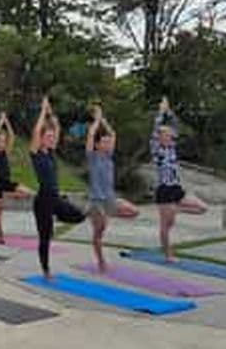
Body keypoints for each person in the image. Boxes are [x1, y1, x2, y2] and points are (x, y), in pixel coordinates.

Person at [28, 96, 85, 279]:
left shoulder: (52, 153)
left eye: (53, 137)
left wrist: (51, 113)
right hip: (43, 201)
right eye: (48, 137)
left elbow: (57, 127)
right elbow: (37, 131)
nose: (52, 139)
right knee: (45, 239)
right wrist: (43, 111)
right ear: (42, 139)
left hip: (56, 199)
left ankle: (59, 215)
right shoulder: (36, 153)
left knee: (80, 215)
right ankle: (46, 271)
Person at [150, 96, 207, 261]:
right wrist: (161, 112)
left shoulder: (172, 149)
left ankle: (177, 210)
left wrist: (169, 111)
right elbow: (155, 130)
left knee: (202, 208)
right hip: (165, 191)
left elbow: (175, 125)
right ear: (160, 138)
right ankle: (168, 255)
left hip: (177, 189)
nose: (169, 137)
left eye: (170, 135)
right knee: (166, 226)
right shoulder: (157, 150)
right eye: (166, 135)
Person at [85, 104, 139, 271]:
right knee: (99, 233)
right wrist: (96, 121)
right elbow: (91, 134)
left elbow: (113, 134)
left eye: (109, 143)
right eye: (105, 142)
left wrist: (104, 121)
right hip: (97, 201)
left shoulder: (109, 157)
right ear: (97, 145)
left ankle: (105, 215)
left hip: (110, 199)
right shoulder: (93, 157)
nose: (108, 144)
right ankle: (101, 261)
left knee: (134, 212)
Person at [0, 112, 32, 244]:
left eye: (3, 140)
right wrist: (0, 122)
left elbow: (12, 136)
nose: (2, 142)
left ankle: (7, 195)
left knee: (27, 192)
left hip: (6, 183)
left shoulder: (5, 153)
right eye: (0, 140)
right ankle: (0, 236)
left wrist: (6, 121)